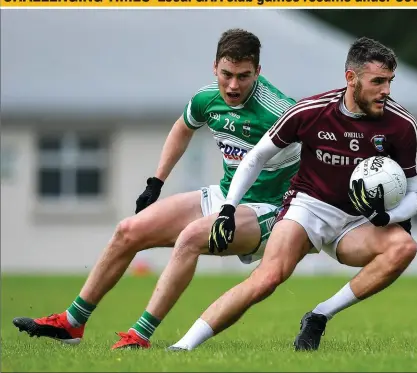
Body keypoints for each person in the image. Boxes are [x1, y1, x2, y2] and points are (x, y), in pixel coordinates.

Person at [12, 29, 300, 348]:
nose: (233, 86)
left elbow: (320, 152)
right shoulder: (207, 99)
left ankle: (140, 335)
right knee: (128, 231)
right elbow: (182, 128)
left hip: (272, 209)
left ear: (258, 72)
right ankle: (71, 323)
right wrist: (156, 181)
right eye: (226, 74)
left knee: (190, 237)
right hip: (225, 195)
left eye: (243, 77)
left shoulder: (280, 112)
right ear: (214, 66)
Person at [165, 36, 417, 352]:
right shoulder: (311, 111)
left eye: (389, 82)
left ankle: (319, 315)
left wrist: (387, 216)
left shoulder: (401, 124)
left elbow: (416, 192)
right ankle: (184, 345)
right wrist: (228, 208)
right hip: (308, 207)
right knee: (267, 279)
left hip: (358, 222)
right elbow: (256, 157)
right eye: (378, 82)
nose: (386, 90)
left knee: (404, 247)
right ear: (351, 78)